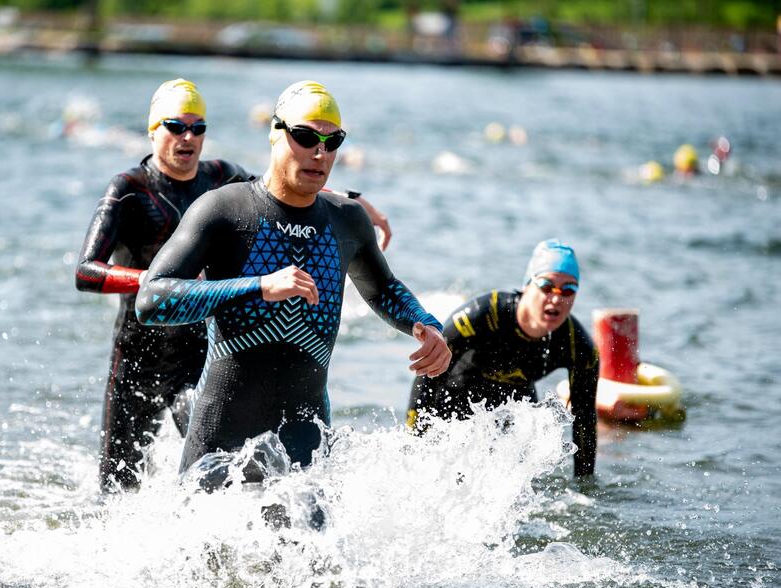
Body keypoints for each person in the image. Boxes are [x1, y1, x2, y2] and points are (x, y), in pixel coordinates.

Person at [76, 79, 392, 491]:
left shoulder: (219, 177)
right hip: (141, 354)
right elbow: (86, 272)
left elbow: (285, 179)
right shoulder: (129, 191)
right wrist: (157, 281)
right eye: (176, 126)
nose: (188, 137)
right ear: (154, 130)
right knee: (116, 486)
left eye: (198, 128)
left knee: (225, 468)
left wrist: (355, 201)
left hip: (197, 352)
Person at [134, 80, 451, 481]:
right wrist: (258, 286)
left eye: (332, 141)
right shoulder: (225, 210)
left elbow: (384, 287)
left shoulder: (346, 219)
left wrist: (426, 326)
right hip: (219, 440)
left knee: (309, 542)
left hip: (303, 444)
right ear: (276, 134)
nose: (320, 152)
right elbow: (152, 300)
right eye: (305, 137)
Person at [405, 239, 599, 477]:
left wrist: (585, 491)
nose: (557, 299)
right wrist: (414, 445)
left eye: (569, 290)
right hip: (453, 402)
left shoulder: (576, 344)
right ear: (528, 285)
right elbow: (426, 376)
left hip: (512, 412)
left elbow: (585, 422)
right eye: (547, 286)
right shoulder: (484, 315)